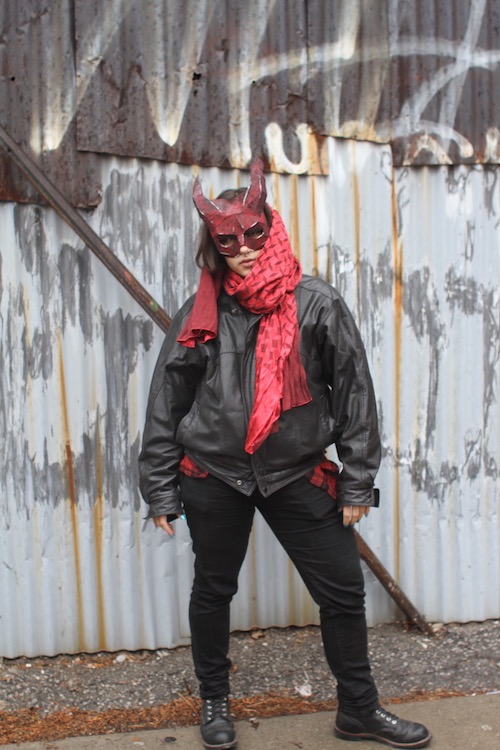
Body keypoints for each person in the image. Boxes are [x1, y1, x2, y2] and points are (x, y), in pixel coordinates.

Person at [138, 160, 432, 750]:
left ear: (271, 229)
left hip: (295, 469)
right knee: (213, 589)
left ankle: (359, 709)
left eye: (253, 236)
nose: (244, 251)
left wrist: (356, 481)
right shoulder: (202, 312)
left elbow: (353, 390)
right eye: (228, 242)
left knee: (343, 589)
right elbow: (167, 399)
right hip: (215, 473)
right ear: (213, 246)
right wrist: (161, 487)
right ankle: (215, 702)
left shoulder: (315, 303)